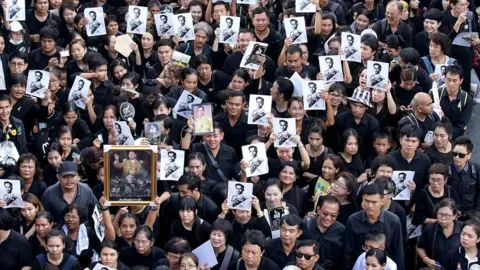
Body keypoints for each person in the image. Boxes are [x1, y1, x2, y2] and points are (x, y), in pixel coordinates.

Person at [343, 183, 404, 270]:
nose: (370, 206)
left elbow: (398, 252)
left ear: (382, 201)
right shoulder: (353, 220)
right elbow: (347, 252)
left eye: (374, 202)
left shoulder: (393, 221)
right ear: (362, 200)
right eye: (367, 201)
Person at [416, 198, 462, 270]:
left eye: (447, 215)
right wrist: (426, 260)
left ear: (454, 216)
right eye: (440, 214)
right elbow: (419, 246)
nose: (443, 218)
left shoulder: (463, 229)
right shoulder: (430, 229)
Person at [302, 195, 344, 269]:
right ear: (318, 210)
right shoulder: (305, 225)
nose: (328, 218)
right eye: (325, 213)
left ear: (338, 214)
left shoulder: (342, 231)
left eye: (333, 215)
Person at [437, 64, 473, 139]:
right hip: (437, 135)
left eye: (454, 80)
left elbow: (461, 125)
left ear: (461, 80)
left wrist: (447, 137)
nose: (451, 84)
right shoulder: (436, 94)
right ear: (444, 78)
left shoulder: (467, 99)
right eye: (448, 79)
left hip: (455, 137)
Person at [447, 136, 480, 213]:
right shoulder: (446, 169)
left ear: (469, 155)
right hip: (451, 212)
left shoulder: (476, 170)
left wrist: (477, 212)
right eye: (454, 153)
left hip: (470, 213)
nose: (457, 157)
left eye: (461, 155)